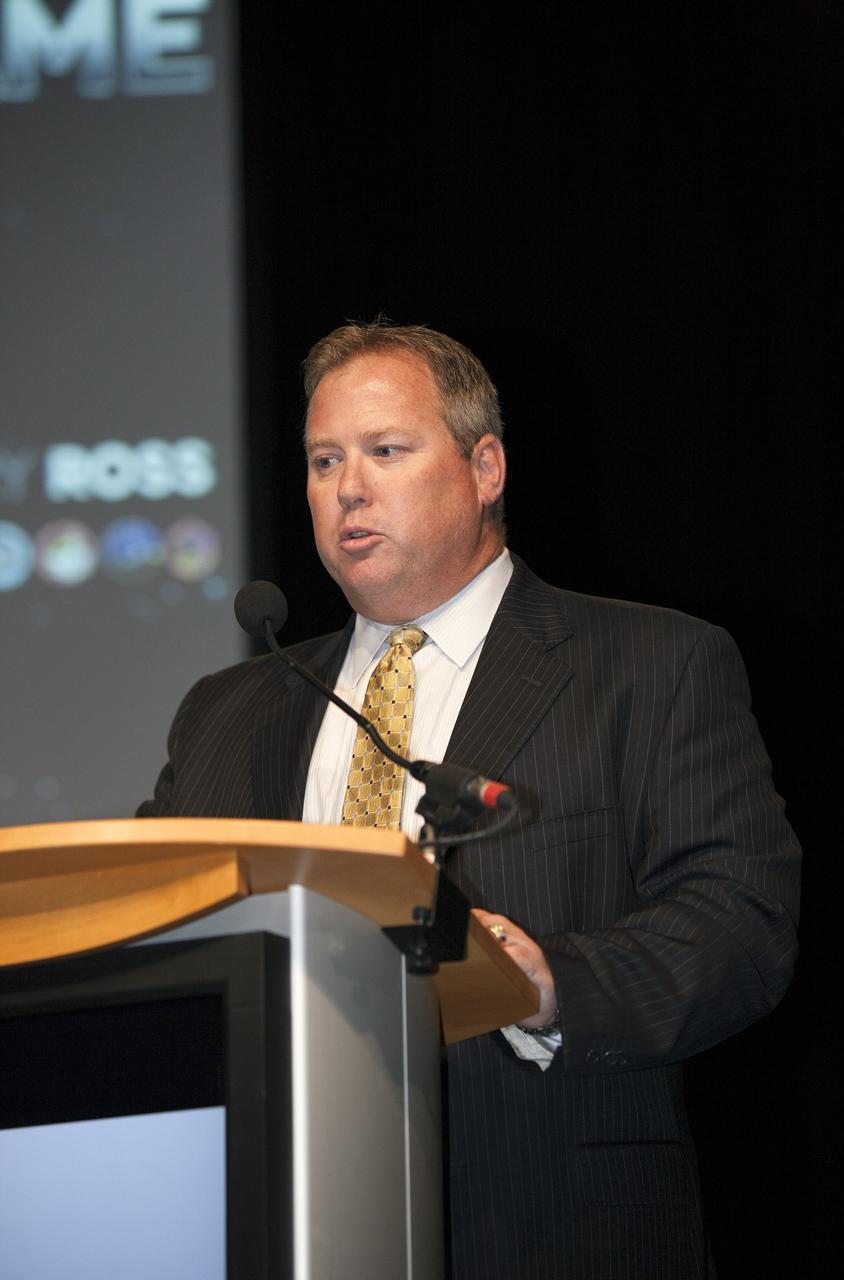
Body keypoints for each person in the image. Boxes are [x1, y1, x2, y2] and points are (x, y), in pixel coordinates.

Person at [138, 321, 801, 1279]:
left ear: (484, 467)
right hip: (267, 1220)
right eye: (324, 460)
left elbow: (740, 921)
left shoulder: (649, 664)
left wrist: (546, 985)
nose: (347, 488)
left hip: (549, 1220)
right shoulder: (229, 708)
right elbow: (152, 925)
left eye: (385, 452)